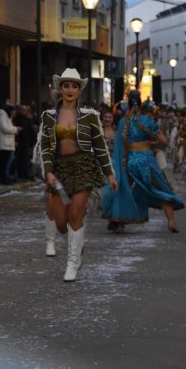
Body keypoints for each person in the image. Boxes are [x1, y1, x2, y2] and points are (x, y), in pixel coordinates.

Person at [40, 68, 117, 281]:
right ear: (60, 89)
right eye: (66, 86)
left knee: (75, 213)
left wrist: (109, 174)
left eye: (74, 86)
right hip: (59, 169)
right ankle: (77, 239)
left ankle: (73, 262)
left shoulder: (90, 117)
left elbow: (100, 147)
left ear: (79, 90)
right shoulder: (49, 117)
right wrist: (48, 171)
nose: (70, 90)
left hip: (83, 166)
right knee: (61, 223)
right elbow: (45, 147)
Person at [102, 90, 184, 234]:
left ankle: (119, 222)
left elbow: (120, 146)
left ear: (128, 104)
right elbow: (164, 141)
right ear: (140, 105)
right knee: (161, 189)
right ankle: (171, 221)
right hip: (147, 161)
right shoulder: (148, 120)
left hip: (129, 162)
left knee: (123, 189)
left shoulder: (122, 122)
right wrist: (150, 145)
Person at [0, 100, 20, 185]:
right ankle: (4, 178)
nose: (14, 113)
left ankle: (7, 177)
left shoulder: (8, 116)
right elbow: (5, 128)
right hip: (4, 143)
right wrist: (16, 129)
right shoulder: (1, 115)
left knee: (9, 161)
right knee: (5, 162)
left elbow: (9, 127)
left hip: (9, 143)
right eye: (13, 111)